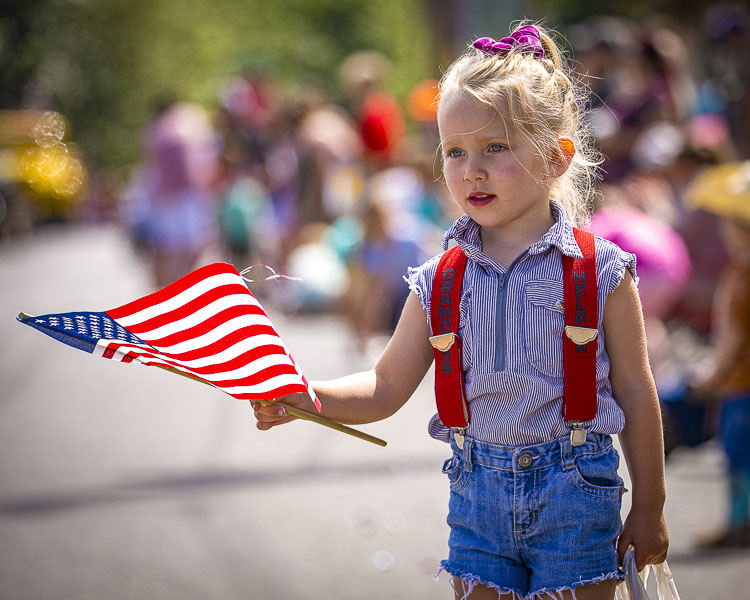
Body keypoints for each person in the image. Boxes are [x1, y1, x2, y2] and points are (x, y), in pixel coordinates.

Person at [252, 22, 669, 600]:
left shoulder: (600, 271)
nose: (471, 168)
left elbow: (637, 389)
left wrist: (650, 506)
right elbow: (385, 383)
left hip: (577, 497)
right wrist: (309, 397)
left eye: (496, 148)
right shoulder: (439, 281)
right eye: (454, 150)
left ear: (555, 157)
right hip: (478, 502)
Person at [693, 215, 750, 548]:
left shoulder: (741, 276)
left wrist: (712, 378)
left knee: (738, 456)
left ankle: (739, 523)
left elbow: (733, 337)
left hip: (740, 381)